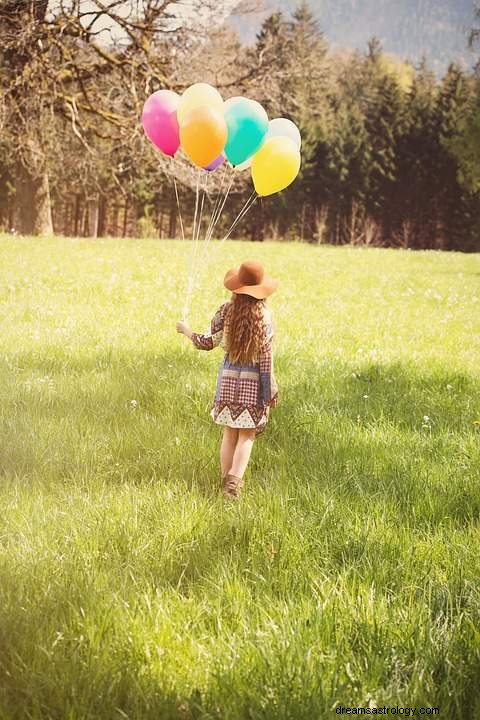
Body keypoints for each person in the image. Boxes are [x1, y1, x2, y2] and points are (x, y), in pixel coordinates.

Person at [176, 260, 279, 499]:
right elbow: (266, 360)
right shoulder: (265, 317)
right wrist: (269, 391)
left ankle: (225, 481)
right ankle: (232, 487)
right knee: (247, 435)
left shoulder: (225, 311)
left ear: (236, 287)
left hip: (227, 382)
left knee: (229, 433)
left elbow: (208, 342)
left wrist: (187, 330)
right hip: (252, 384)